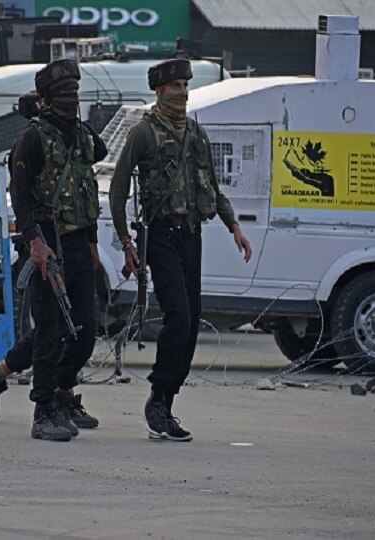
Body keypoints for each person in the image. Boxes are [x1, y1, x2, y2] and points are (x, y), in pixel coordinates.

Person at [109, 59, 252, 442]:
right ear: (159, 90)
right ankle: (157, 397)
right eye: (174, 86)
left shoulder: (196, 132)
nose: (182, 92)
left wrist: (234, 225)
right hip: (160, 236)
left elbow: (213, 187)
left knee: (190, 327)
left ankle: (167, 403)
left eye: (185, 85)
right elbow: (119, 188)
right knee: (180, 317)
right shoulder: (143, 133)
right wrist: (126, 241)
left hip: (191, 235)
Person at [0, 89, 103, 428]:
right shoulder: (30, 142)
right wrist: (35, 241)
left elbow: (93, 167)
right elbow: (20, 194)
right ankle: (47, 404)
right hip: (44, 242)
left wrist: (92, 242)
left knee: (81, 329)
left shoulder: (76, 140)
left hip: (75, 241)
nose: (70, 110)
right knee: (51, 328)